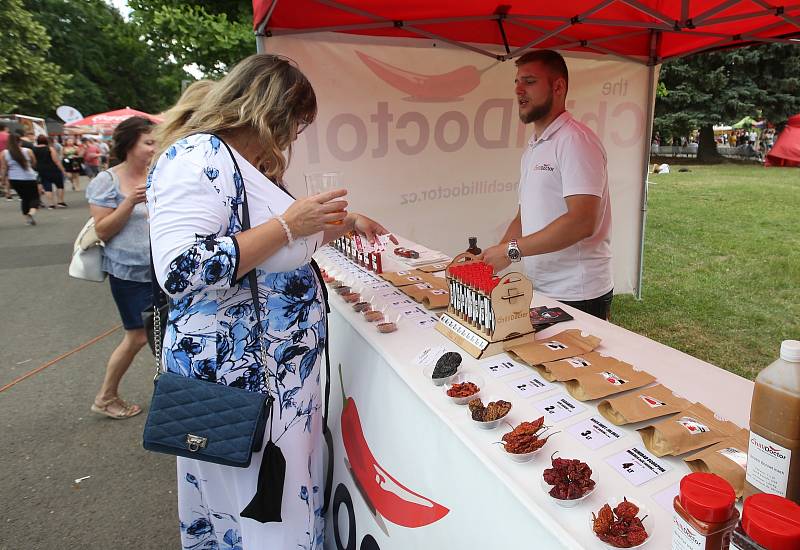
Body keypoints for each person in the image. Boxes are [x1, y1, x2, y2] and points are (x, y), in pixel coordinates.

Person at [148, 54, 394, 549]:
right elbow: (180, 270)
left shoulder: (239, 163)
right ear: (272, 111)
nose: (292, 139)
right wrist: (289, 223)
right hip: (240, 381)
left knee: (271, 501)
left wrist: (336, 224)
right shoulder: (197, 158)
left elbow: (273, 246)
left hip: (274, 374)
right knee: (253, 503)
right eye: (295, 125)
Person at [480, 50, 613, 320]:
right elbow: (524, 215)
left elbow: (581, 221)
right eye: (517, 82)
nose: (519, 90)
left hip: (579, 294)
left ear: (558, 87)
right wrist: (494, 259)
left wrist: (511, 250)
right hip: (544, 287)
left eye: (529, 82)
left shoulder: (575, 141)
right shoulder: (535, 146)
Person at [86, 117, 157, 419]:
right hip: (128, 273)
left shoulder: (159, 174)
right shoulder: (107, 181)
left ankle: (178, 397)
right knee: (139, 336)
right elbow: (103, 230)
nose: (154, 148)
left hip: (160, 270)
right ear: (130, 145)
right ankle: (105, 396)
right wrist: (129, 202)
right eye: (149, 142)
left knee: (161, 334)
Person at [0, 133, 39, 224]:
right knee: (34, 197)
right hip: (29, 177)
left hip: (14, 178)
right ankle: (31, 212)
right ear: (20, 141)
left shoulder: (4, 153)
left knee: (24, 198)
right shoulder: (28, 151)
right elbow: (34, 163)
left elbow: (4, 168)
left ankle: (27, 219)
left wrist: (3, 180)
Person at [33, 135, 68, 208]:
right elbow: (56, 160)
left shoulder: (34, 149)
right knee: (59, 185)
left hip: (41, 170)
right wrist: (63, 169)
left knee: (47, 186)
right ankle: (60, 202)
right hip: (53, 169)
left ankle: (51, 204)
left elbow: (34, 161)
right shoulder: (50, 149)